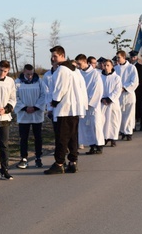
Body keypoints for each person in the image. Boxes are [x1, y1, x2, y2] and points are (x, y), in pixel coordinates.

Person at [44, 45, 87, 174]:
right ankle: (73, 162)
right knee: (73, 137)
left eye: (55, 56)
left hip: (64, 109)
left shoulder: (62, 70)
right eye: (52, 56)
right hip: (74, 109)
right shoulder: (75, 70)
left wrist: (54, 102)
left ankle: (59, 163)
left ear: (62, 55)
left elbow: (60, 89)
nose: (53, 58)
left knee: (62, 138)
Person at [14, 64, 47, 169]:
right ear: (24, 72)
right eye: (28, 74)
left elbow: (44, 94)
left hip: (36, 114)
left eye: (32, 74)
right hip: (24, 114)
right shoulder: (17, 83)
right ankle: (24, 158)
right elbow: (14, 96)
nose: (30, 76)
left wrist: (36, 107)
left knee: (38, 137)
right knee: (24, 137)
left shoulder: (39, 82)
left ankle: (38, 158)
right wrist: (24, 108)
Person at [76, 54, 105, 155]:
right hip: (82, 105)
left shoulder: (95, 73)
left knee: (96, 124)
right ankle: (92, 146)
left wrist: (89, 102)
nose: (78, 66)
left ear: (85, 62)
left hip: (93, 105)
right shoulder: (78, 74)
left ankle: (99, 145)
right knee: (85, 126)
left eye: (79, 64)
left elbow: (98, 89)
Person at [114, 50, 139, 141]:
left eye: (119, 57)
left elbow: (135, 81)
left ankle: (129, 132)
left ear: (124, 57)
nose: (117, 59)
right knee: (120, 113)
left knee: (129, 113)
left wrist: (124, 88)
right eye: (116, 57)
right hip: (119, 95)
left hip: (129, 94)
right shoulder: (115, 68)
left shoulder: (131, 68)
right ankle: (122, 131)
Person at [99, 57, 123, 147]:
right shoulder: (100, 77)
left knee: (113, 121)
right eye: (104, 65)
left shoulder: (116, 78)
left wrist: (109, 99)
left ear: (112, 66)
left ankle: (113, 138)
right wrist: (102, 99)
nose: (106, 67)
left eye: (108, 65)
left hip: (113, 103)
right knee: (103, 121)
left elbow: (117, 90)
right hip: (103, 103)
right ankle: (105, 137)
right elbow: (98, 90)